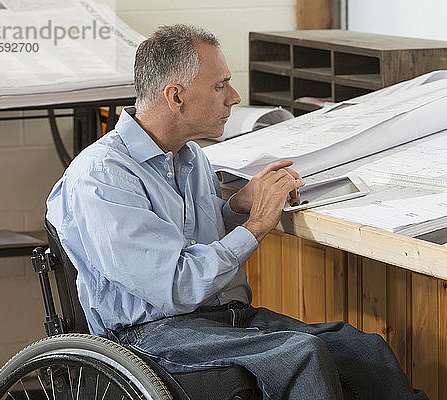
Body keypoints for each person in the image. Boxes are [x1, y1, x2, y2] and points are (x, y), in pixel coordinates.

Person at [47, 24, 423, 400]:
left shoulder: (189, 156)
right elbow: (177, 286)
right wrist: (256, 226)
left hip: (216, 318)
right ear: (175, 97)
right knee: (300, 356)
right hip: (148, 334)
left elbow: (188, 240)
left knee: (361, 349)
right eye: (219, 85)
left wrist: (238, 207)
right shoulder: (102, 177)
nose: (234, 96)